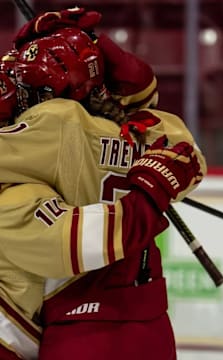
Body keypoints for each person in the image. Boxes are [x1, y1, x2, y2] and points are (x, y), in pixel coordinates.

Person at [0, 15, 206, 360]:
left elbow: (77, 242)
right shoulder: (138, 132)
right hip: (150, 320)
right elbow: (190, 157)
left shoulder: (56, 125)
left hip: (76, 326)